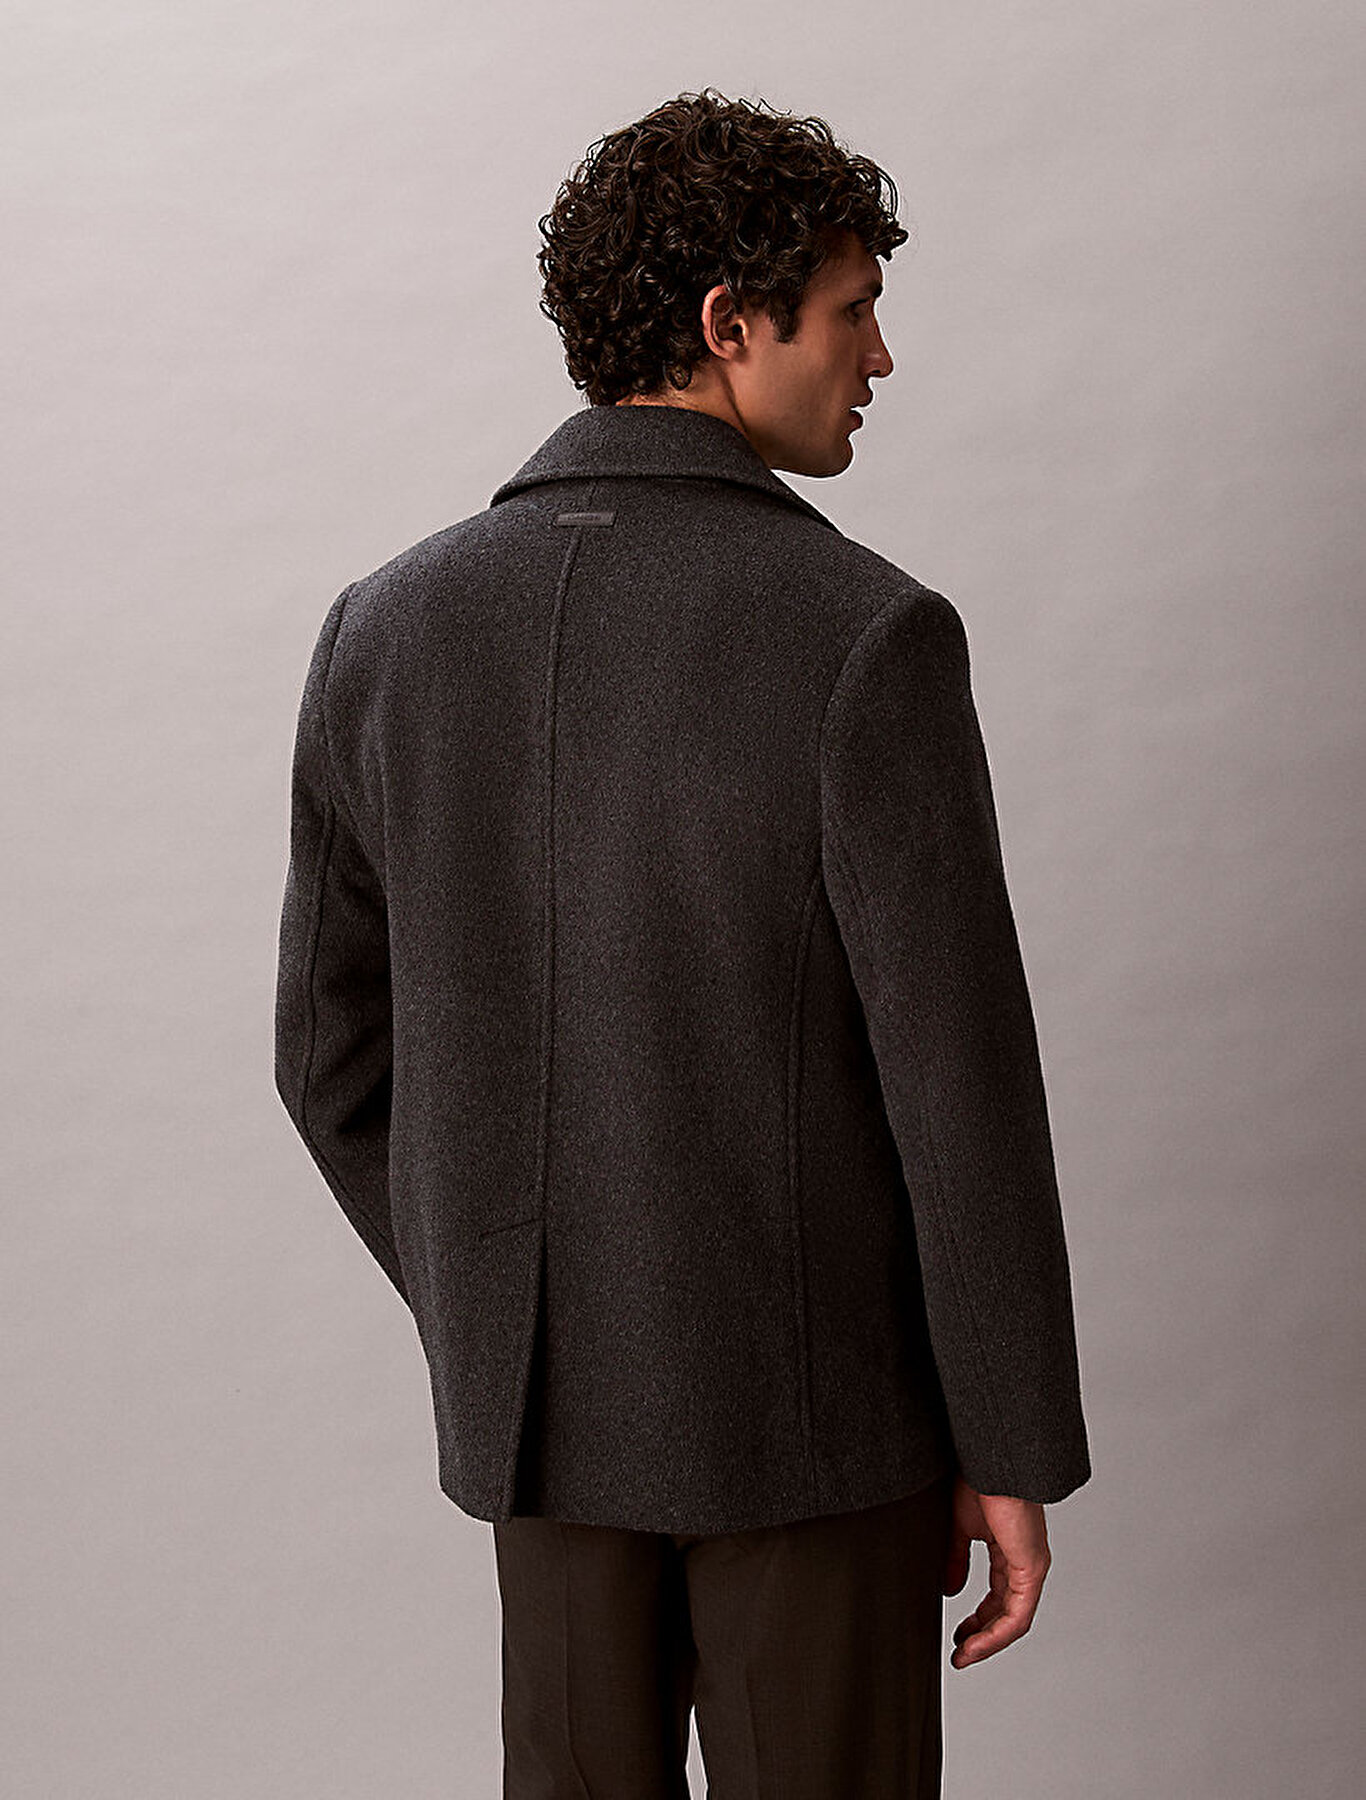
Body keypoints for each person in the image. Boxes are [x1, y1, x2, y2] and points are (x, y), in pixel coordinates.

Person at [274, 86, 1091, 1798]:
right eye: (853, 311)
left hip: (537, 1424)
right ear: (731, 324)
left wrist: (506, 1303)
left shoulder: (383, 630)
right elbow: (957, 1093)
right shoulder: (864, 634)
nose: (878, 358)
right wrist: (1008, 1443)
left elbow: (331, 1059)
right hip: (821, 1430)